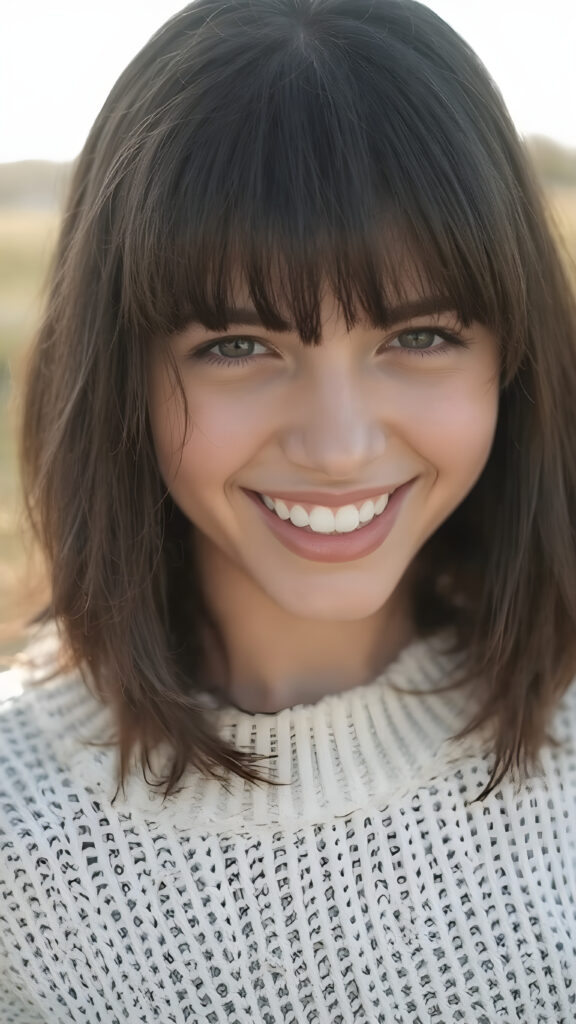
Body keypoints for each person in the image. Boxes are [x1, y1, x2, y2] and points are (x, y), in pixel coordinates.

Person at [1, 0, 575, 1019]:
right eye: (238, 346)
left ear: (514, 354)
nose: (339, 445)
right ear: (122, 374)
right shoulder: (21, 847)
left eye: (420, 336)